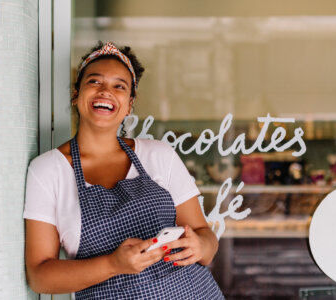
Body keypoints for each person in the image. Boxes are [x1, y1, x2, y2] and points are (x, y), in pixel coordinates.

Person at [23, 41, 224, 299]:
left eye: (119, 86)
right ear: (76, 94)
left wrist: (200, 246)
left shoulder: (159, 155)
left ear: (129, 104)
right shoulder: (48, 170)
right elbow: (40, 276)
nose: (106, 91)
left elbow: (207, 239)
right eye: (94, 82)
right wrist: (112, 265)